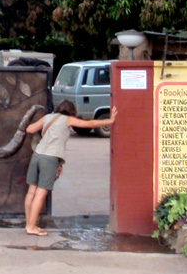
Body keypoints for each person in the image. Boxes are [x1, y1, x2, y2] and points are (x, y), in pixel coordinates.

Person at [23, 101, 117, 236]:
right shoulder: (67, 119)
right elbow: (89, 124)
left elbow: (29, 129)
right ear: (72, 111)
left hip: (37, 155)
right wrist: (110, 120)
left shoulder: (47, 117)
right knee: (40, 193)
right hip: (50, 158)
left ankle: (29, 225)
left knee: (31, 192)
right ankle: (32, 227)